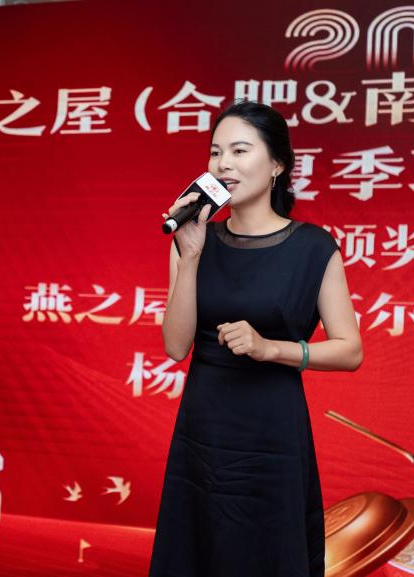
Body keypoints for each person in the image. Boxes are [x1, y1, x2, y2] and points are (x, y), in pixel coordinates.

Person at [148, 100, 362, 577]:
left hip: (273, 433)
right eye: (215, 152)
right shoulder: (192, 240)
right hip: (203, 431)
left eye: (240, 151)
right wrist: (190, 256)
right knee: (197, 550)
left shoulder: (313, 247)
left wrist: (270, 349)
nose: (224, 163)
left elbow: (350, 350)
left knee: (268, 553)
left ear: (277, 165)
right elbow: (176, 347)